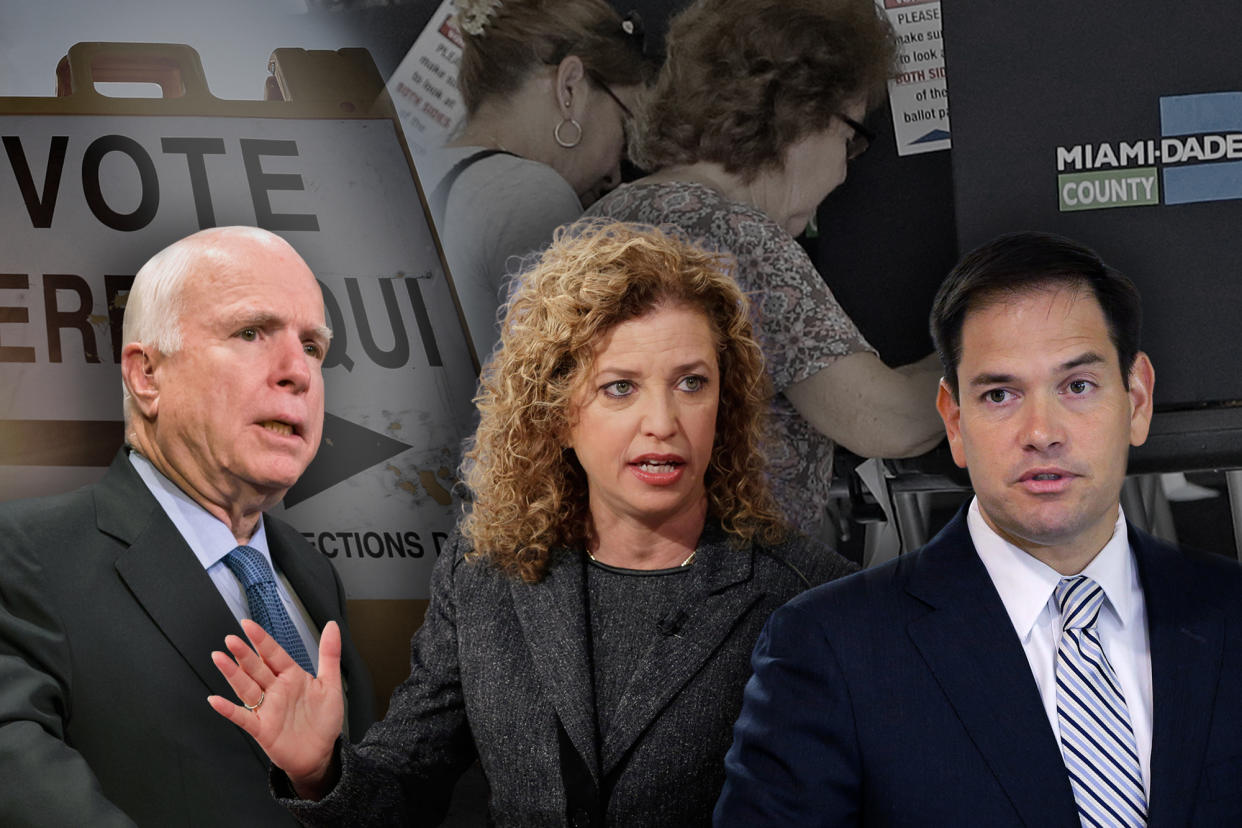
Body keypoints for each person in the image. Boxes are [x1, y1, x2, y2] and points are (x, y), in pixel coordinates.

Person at [208, 221, 856, 826]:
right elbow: (406, 783)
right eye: (620, 387)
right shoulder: (487, 578)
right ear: (558, 411)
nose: (663, 422)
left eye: (691, 383)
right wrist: (321, 771)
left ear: (727, 400)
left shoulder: (812, 597)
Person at [714, 232, 1242, 826]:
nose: (1042, 431)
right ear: (954, 422)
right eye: (999, 394)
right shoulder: (829, 649)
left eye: (1078, 386)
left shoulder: (1233, 616)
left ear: (1138, 399)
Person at [0, 226, 374, 826]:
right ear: (146, 375)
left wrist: (322, 781)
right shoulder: (24, 556)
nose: (297, 372)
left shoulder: (313, 576)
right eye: (251, 332)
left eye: (312, 346)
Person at [588, 0, 944, 538]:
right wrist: (993, 360)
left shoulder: (598, 222)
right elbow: (888, 421)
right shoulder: (737, 238)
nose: (845, 172)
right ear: (803, 116)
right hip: (720, 595)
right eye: (848, 139)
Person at [423, 0, 649, 363]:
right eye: (626, 129)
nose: (614, 173)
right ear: (570, 87)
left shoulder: (416, 167)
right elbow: (570, 387)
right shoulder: (530, 193)